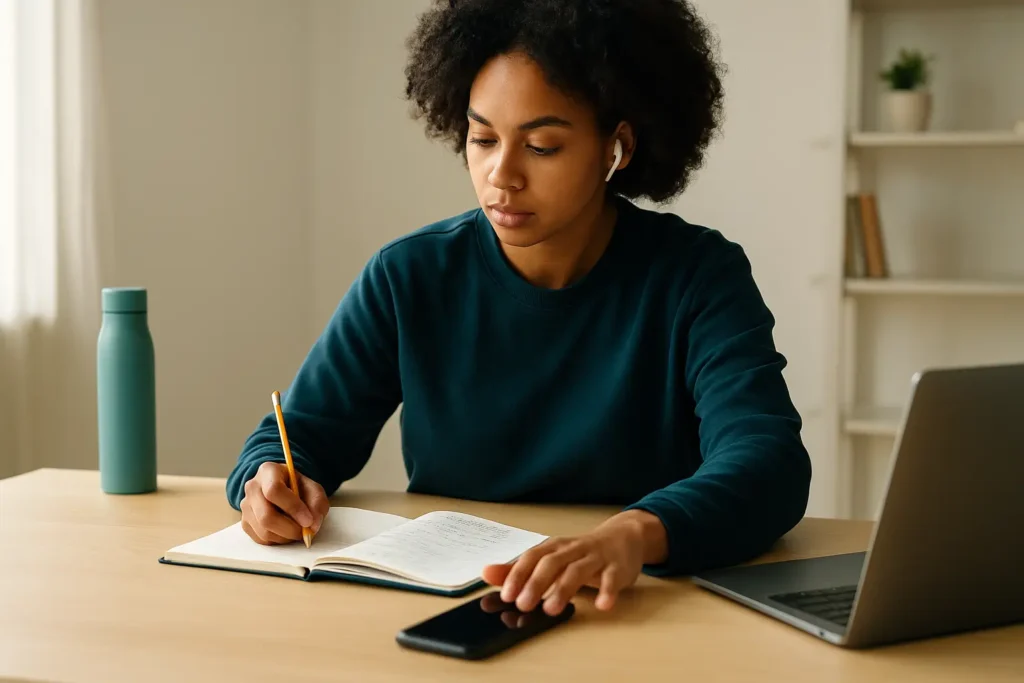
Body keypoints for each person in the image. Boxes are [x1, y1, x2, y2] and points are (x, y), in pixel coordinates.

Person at [226, 0, 811, 618]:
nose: (500, 176)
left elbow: (767, 462)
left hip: (635, 605)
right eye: (482, 139)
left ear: (617, 147)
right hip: (459, 603)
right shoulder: (409, 276)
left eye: (542, 146)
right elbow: (298, 436)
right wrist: (266, 481)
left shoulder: (697, 276)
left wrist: (633, 534)